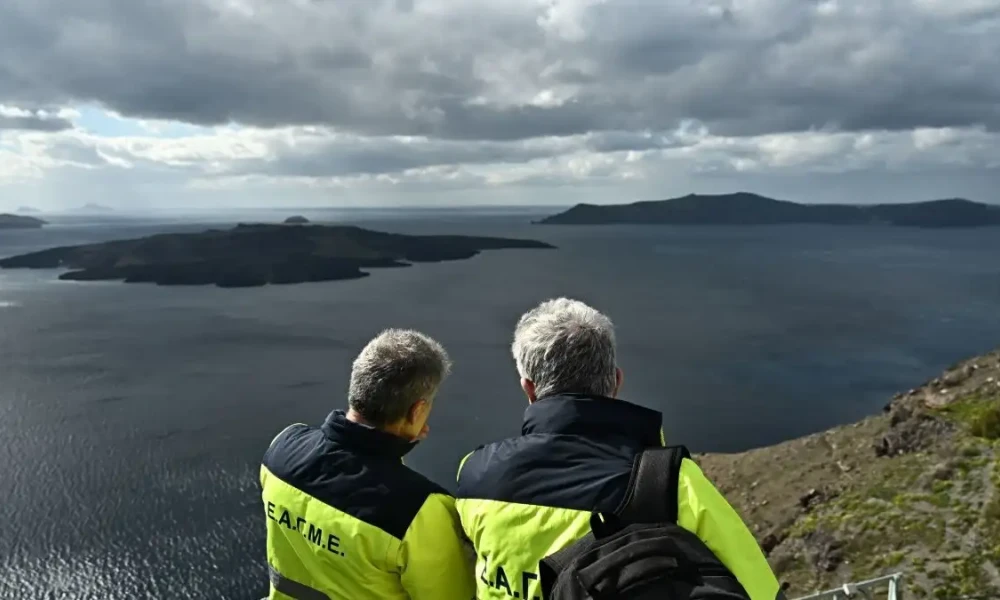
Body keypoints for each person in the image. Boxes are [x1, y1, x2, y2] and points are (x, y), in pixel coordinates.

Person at [454, 298, 782, 600]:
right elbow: (760, 591)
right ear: (615, 380)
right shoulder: (667, 483)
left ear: (529, 388)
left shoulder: (473, 475)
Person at [259, 329, 475, 600]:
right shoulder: (420, 511)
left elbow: (352, 477)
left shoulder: (283, 449)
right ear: (416, 410)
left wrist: (395, 443)